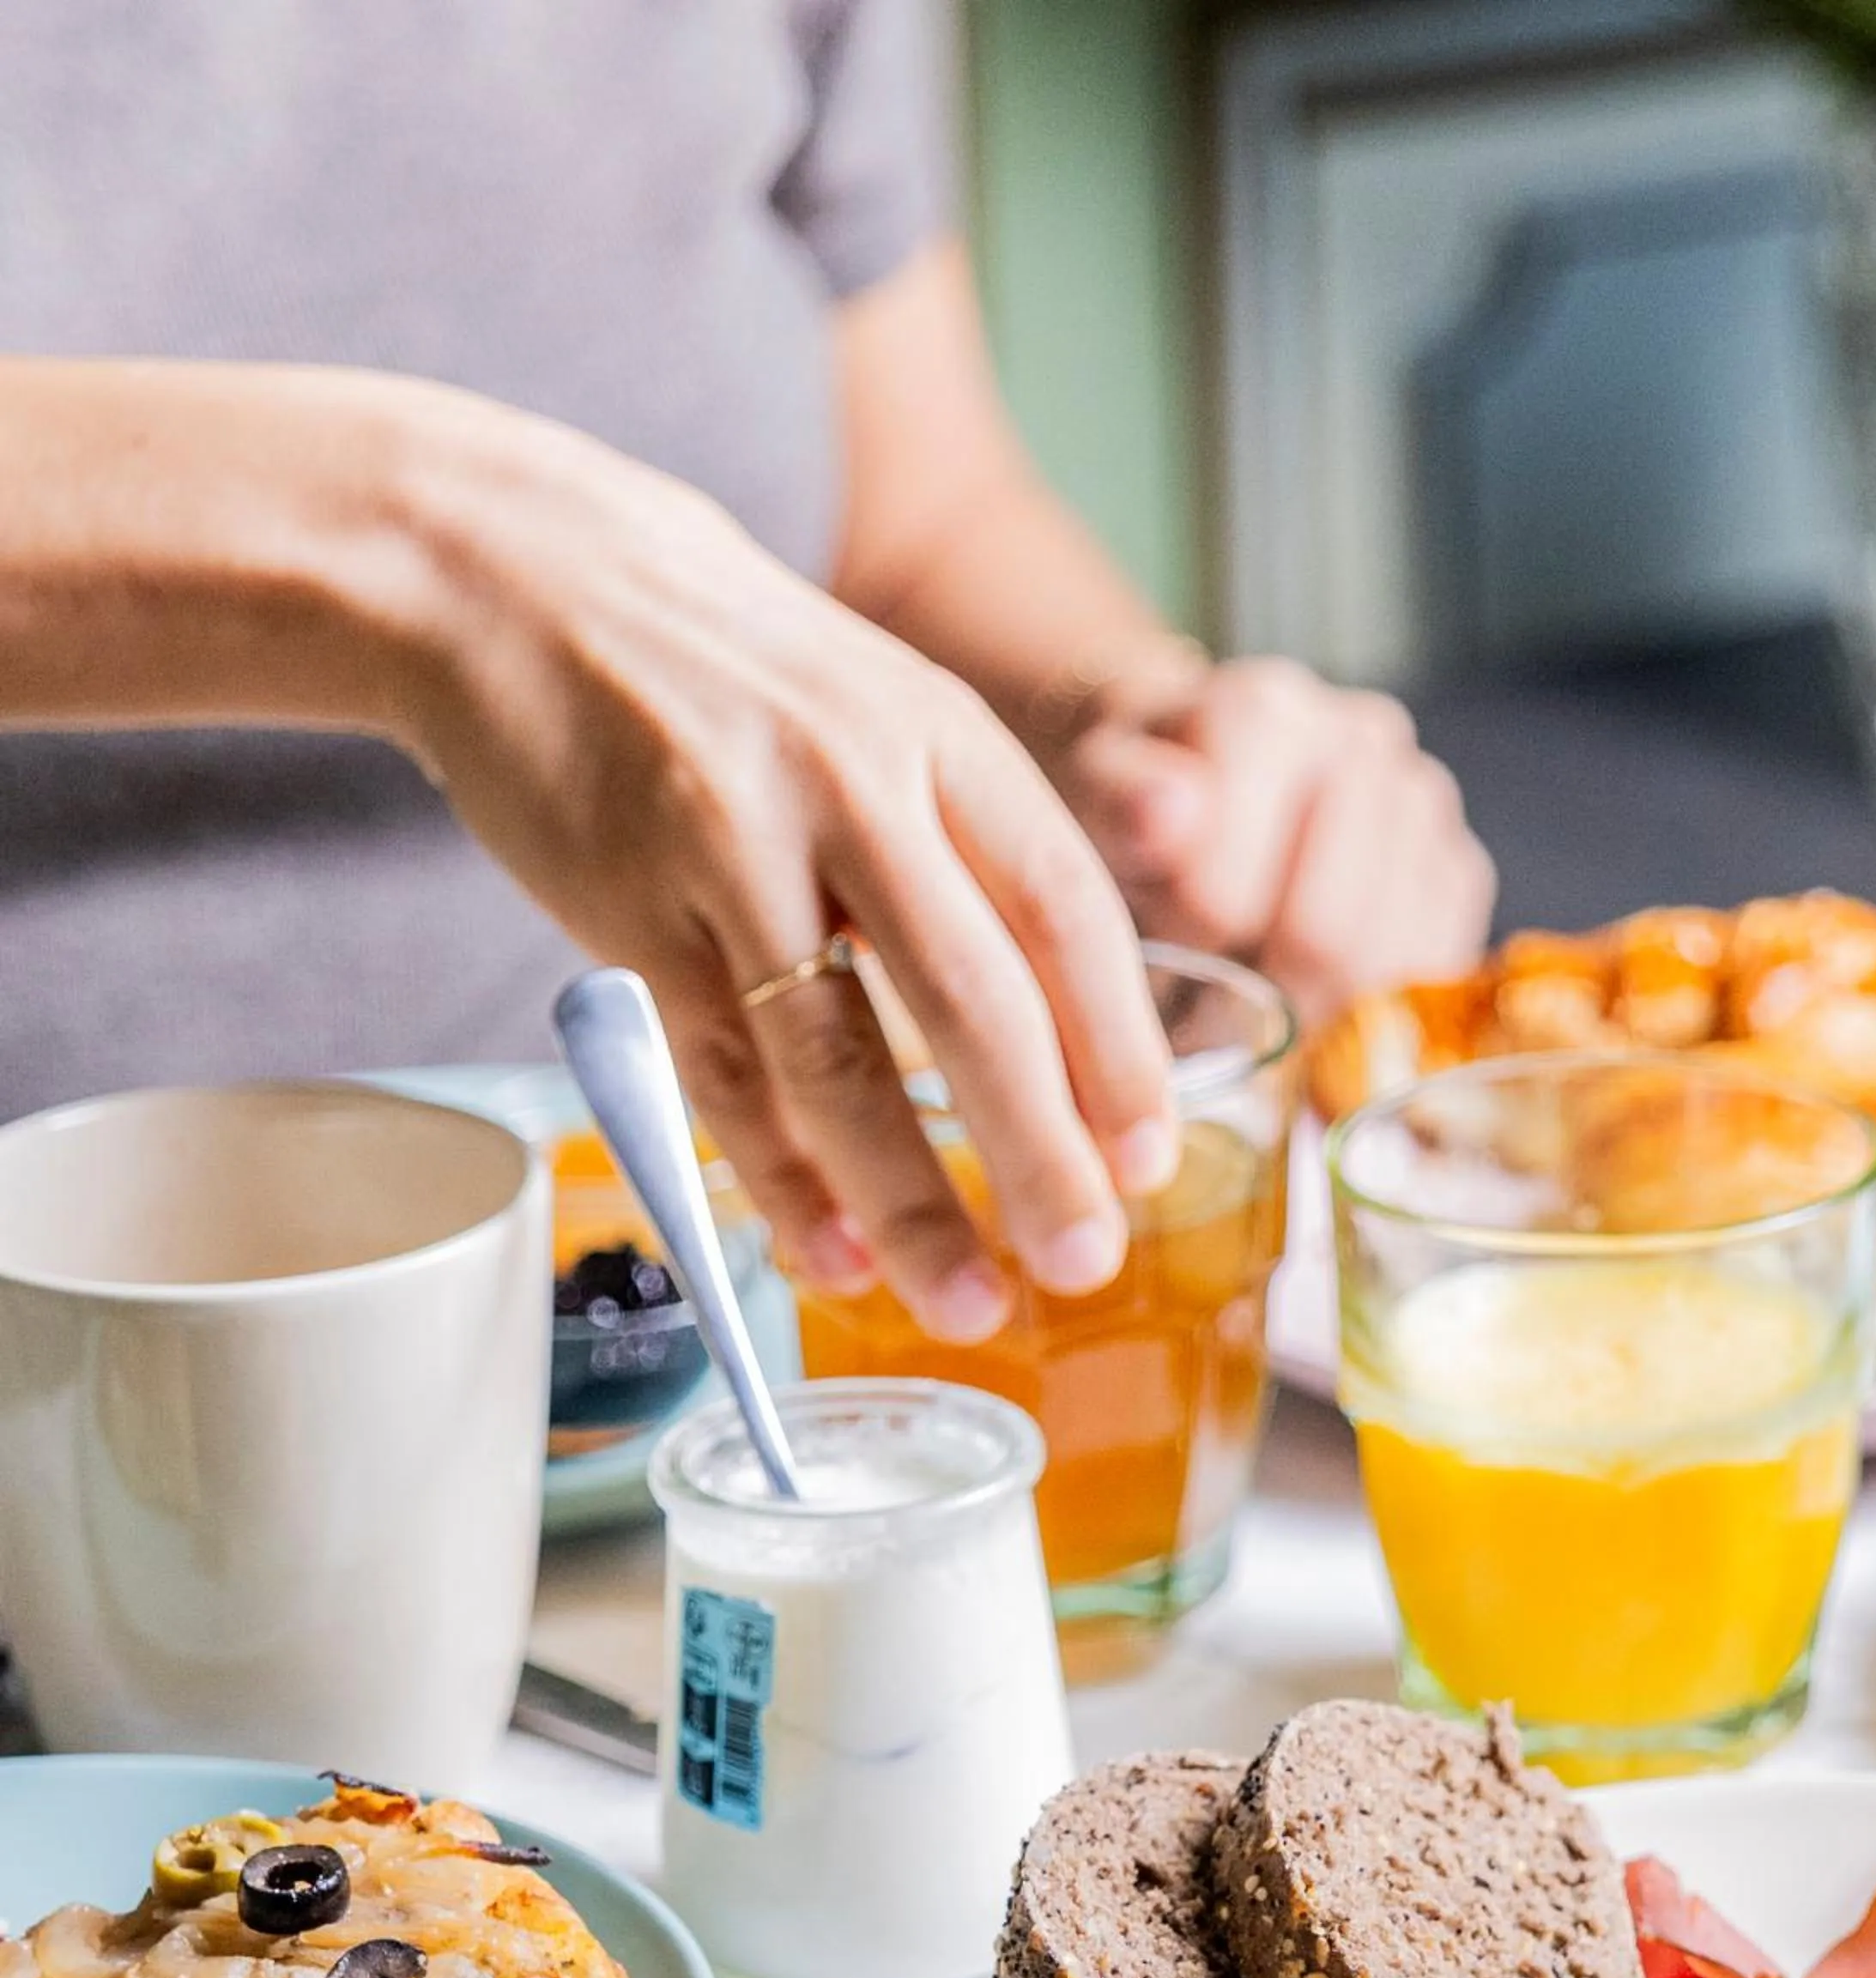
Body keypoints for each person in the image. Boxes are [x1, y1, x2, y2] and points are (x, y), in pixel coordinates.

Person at [0, 3, 1493, 1341]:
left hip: (713, 1327)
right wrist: (428, 560)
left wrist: (1135, 732)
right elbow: (489, 570)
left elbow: (913, 516)